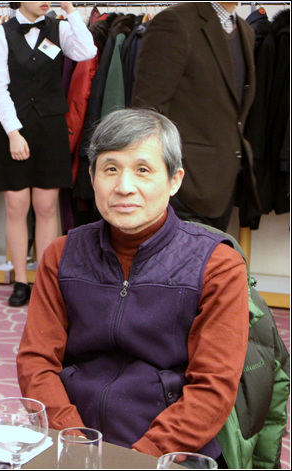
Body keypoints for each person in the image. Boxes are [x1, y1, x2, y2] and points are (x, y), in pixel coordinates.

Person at [16, 109, 249, 462]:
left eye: (143, 170)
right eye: (110, 169)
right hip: (73, 441)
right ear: (92, 177)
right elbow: (36, 362)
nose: (124, 186)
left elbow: (213, 388)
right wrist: (74, 441)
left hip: (169, 451)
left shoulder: (217, 265)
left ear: (174, 180)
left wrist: (140, 458)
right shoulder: (61, 255)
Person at [0, 2, 97, 307]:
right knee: (16, 206)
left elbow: (87, 51)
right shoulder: (1, 34)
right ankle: (20, 281)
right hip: (13, 127)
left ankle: (45, 281)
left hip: (50, 128)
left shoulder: (60, 28)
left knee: (47, 207)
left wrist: (71, 11)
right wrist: (13, 133)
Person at [132, 2, 259, 231]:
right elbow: (147, 111)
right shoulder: (175, 22)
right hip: (180, 186)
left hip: (223, 183)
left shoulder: (245, 31)